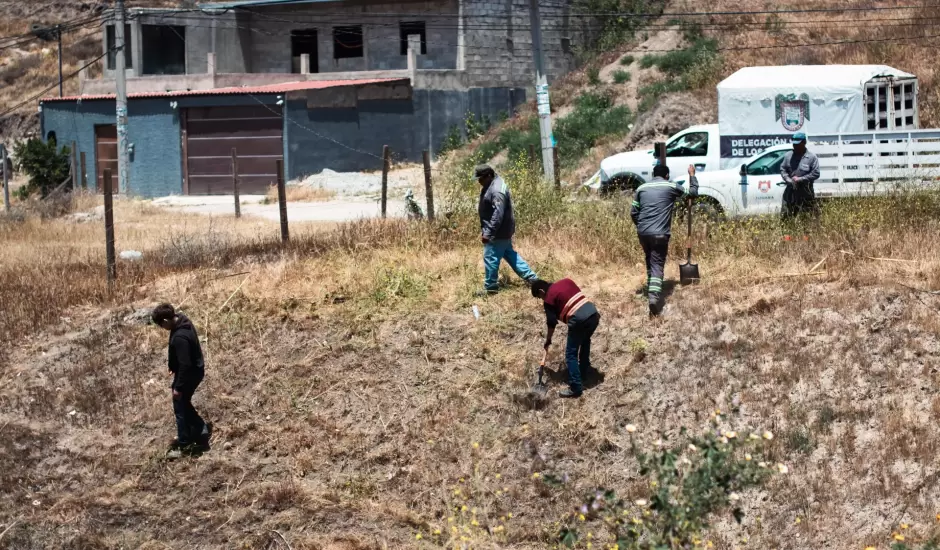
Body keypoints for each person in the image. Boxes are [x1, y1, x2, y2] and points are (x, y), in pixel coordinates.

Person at [630, 164, 699, 316]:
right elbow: (693, 193)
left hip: (643, 232)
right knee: (657, 264)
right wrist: (692, 175)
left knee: (649, 259)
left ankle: (651, 287)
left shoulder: (641, 188)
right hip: (660, 233)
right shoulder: (671, 186)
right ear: (667, 175)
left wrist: (641, 226)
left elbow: (633, 212)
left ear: (653, 174)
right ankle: (654, 299)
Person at [151, 303, 209, 455]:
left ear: (165, 321)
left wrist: (178, 387)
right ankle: (199, 429)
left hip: (190, 373)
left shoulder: (180, 337)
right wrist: (172, 365)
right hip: (196, 370)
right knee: (183, 402)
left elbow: (185, 364)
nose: (162, 328)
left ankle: (185, 444)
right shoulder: (182, 321)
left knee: (180, 405)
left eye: (161, 325)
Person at [531, 278, 600, 398]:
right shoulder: (566, 281)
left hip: (579, 320)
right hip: (593, 314)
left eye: (539, 296)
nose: (541, 299)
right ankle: (583, 372)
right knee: (585, 342)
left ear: (541, 291)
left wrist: (548, 340)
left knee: (570, 354)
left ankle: (576, 388)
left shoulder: (549, 299)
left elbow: (551, 323)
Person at [476, 164, 537, 294]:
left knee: (490, 257)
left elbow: (498, 214)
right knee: (510, 255)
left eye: (480, 178)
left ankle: (490, 287)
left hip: (497, 232)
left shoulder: (496, 190)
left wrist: (489, 232)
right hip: (503, 230)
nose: (478, 181)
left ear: (489, 176)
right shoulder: (492, 184)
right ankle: (532, 279)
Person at [780, 132, 820, 220]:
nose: (795, 146)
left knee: (806, 218)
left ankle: (805, 234)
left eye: (798, 144)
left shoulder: (811, 157)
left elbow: (816, 173)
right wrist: (788, 179)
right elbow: (783, 169)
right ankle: (787, 234)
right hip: (790, 192)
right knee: (786, 217)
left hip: (806, 192)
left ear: (804, 143)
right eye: (794, 144)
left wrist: (800, 179)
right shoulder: (788, 156)